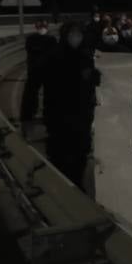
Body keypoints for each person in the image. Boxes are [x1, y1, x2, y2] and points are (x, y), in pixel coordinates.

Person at [41, 22, 99, 188]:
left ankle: (77, 188)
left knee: (80, 156)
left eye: (78, 33)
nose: (76, 37)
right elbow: (48, 88)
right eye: (72, 33)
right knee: (61, 157)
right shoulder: (53, 57)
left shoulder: (87, 57)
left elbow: (92, 85)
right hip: (59, 117)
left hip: (81, 117)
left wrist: (93, 78)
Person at [21, 20, 57, 121]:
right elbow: (54, 54)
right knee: (48, 93)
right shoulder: (51, 39)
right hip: (47, 71)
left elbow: (29, 51)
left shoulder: (30, 39)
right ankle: (47, 113)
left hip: (34, 70)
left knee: (32, 93)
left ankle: (32, 112)